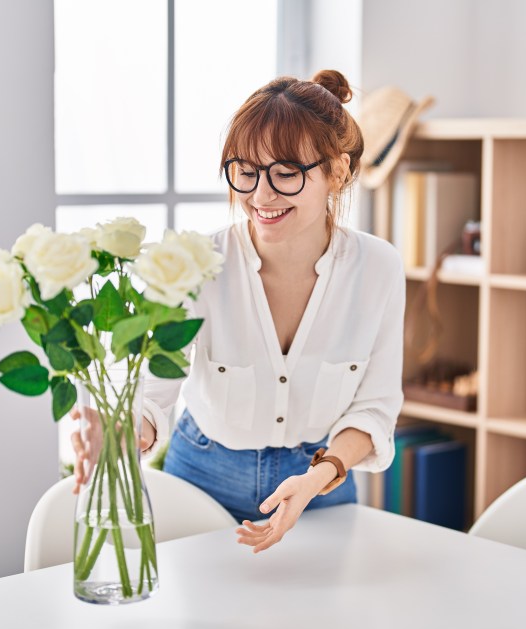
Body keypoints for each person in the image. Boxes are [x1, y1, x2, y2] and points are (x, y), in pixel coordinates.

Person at [71, 69, 405, 554]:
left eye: (286, 173)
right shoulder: (197, 264)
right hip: (201, 479)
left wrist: (318, 477)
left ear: (338, 173)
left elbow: (374, 407)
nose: (260, 196)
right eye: (245, 171)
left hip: (320, 483)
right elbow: (154, 395)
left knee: (322, 626)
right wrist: (119, 434)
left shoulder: (378, 268)